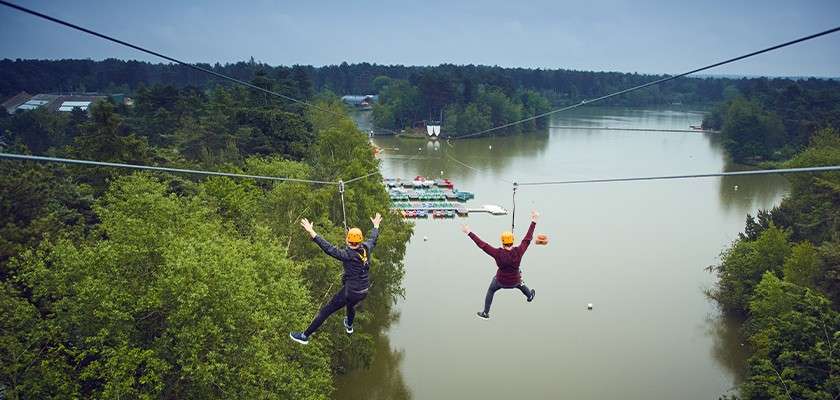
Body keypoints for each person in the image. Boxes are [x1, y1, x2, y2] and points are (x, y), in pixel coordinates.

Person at [290, 213, 382, 345]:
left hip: (351, 291)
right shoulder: (366, 248)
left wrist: (312, 232)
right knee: (350, 306)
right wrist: (376, 226)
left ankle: (305, 336)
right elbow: (373, 238)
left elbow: (329, 248)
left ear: (347, 240)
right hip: (363, 290)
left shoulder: (346, 255)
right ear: (361, 241)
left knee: (326, 311)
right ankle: (349, 326)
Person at [462, 210, 539, 320]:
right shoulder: (519, 251)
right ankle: (529, 296)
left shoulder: (497, 253)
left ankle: (485, 313)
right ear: (513, 241)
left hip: (500, 281)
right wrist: (534, 220)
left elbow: (482, 245)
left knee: (491, 290)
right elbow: (527, 239)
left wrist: (469, 232)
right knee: (520, 281)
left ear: (502, 242)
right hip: (515, 281)